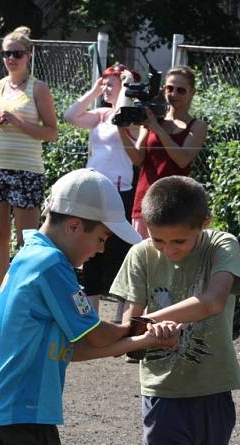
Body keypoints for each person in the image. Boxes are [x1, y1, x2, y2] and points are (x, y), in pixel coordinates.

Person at [0, 168, 182, 445]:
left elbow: (77, 348)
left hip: (28, 416)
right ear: (74, 226)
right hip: (10, 418)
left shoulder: (34, 255)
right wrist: (139, 327)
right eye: (100, 238)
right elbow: (97, 336)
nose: (100, 249)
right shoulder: (49, 264)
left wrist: (143, 341)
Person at [109, 175, 240, 445]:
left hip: (215, 394)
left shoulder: (222, 244)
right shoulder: (140, 254)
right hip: (163, 399)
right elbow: (129, 324)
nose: (169, 250)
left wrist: (148, 321)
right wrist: (149, 334)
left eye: (180, 241)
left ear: (205, 223)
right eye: (159, 240)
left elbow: (214, 301)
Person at [0, 26, 58, 316]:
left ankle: (26, 299)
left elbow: (51, 132)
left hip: (27, 170)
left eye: (16, 54)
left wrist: (17, 121)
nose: (11, 59)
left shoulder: (38, 88)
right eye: (6, 54)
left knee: (26, 238)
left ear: (29, 55)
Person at [64, 64, 140, 316]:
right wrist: (94, 89)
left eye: (111, 84)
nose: (106, 89)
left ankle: (119, 315)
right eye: (104, 84)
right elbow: (70, 116)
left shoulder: (129, 116)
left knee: (119, 250)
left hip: (119, 190)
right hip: (94, 188)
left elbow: (122, 113)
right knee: (90, 250)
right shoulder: (100, 115)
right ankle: (90, 315)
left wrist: (127, 87)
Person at [118, 65, 207, 238]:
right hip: (145, 202)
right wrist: (120, 130)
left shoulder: (197, 126)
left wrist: (157, 129)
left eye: (180, 90)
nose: (173, 94)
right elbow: (138, 158)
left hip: (176, 205)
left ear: (192, 92)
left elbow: (183, 160)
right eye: (169, 88)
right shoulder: (154, 119)